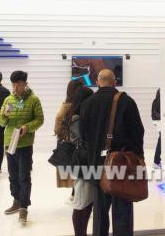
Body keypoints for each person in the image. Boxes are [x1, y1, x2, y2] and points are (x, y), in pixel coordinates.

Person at [80, 69, 144, 236]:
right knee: (123, 210)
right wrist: (138, 158)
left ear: (97, 82)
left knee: (99, 212)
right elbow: (138, 132)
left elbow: (83, 136)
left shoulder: (87, 104)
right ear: (114, 82)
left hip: (96, 164)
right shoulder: (126, 102)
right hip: (121, 164)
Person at [0, 70, 44, 224]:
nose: (15, 88)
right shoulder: (8, 100)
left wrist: (28, 127)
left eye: (18, 85)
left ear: (25, 84)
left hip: (25, 144)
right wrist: (4, 115)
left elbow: (40, 119)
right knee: (12, 175)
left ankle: (24, 207)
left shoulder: (34, 100)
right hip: (9, 142)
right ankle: (16, 200)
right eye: (13, 85)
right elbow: (1, 122)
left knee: (24, 176)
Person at [67, 85, 95, 236]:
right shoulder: (77, 118)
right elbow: (82, 141)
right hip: (83, 163)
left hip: (83, 162)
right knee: (81, 203)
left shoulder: (77, 115)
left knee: (86, 202)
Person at [54, 79, 82, 189]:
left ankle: (75, 191)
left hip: (69, 140)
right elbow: (59, 117)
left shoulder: (67, 104)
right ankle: (75, 191)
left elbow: (58, 118)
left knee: (71, 166)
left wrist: (58, 132)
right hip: (76, 140)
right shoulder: (80, 104)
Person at [151, 88, 161, 167]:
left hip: (158, 122)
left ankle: (157, 161)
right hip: (161, 122)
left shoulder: (155, 101)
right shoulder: (160, 101)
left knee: (161, 139)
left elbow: (153, 114)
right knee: (161, 140)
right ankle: (156, 161)